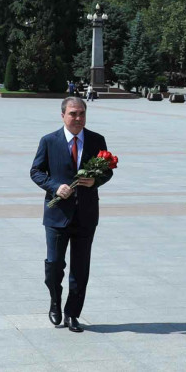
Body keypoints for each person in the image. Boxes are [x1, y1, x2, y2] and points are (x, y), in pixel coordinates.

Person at [30, 97, 113, 332]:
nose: (78, 118)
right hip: (57, 215)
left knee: (80, 267)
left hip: (86, 215)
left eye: (82, 114)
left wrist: (95, 180)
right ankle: (55, 299)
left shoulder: (97, 140)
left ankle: (72, 313)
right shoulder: (49, 141)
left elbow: (107, 172)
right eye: (73, 114)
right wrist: (55, 186)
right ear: (63, 115)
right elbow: (36, 171)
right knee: (54, 264)